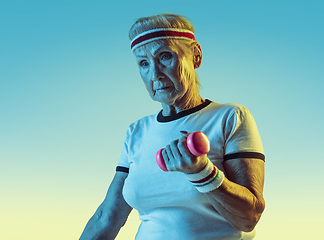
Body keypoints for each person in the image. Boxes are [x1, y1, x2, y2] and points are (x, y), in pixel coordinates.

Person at [79, 13, 265, 240]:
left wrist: (202, 172)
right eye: (144, 64)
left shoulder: (230, 117)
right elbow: (106, 218)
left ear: (195, 56)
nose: (155, 74)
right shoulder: (136, 132)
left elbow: (248, 218)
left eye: (165, 56)